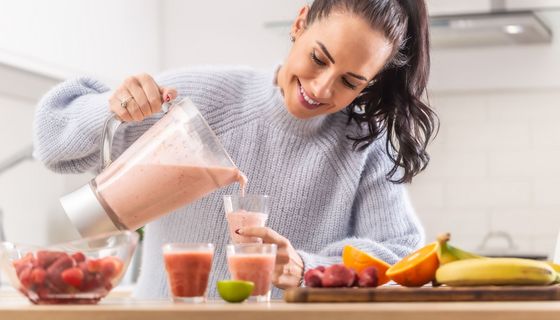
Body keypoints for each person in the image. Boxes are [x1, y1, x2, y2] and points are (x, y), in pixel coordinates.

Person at [34, 0, 437, 299]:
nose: (321, 88)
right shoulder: (198, 100)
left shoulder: (364, 143)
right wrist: (113, 108)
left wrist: (305, 267)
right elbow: (51, 141)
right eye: (318, 58)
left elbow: (402, 254)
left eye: (350, 82)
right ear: (300, 23)